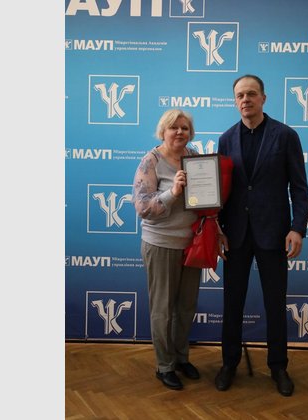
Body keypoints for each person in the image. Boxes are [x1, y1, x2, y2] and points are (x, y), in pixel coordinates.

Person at [215, 75, 308, 397]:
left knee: (275, 303)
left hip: (274, 233)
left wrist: (297, 228)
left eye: (251, 94)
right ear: (235, 101)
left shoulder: (286, 136)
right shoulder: (226, 139)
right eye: (240, 95)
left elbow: (299, 187)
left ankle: (278, 366)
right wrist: (218, 229)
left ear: (263, 98)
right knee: (232, 303)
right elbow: (221, 191)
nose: (246, 100)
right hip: (236, 235)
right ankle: (229, 363)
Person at [132, 109, 202, 391]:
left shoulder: (195, 159)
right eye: (174, 127)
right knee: (163, 310)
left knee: (186, 307)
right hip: (160, 244)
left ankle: (181, 358)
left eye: (185, 128)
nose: (180, 132)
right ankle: (165, 366)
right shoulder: (151, 161)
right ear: (163, 131)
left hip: (192, 246)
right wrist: (172, 193)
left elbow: (204, 201)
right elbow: (142, 207)